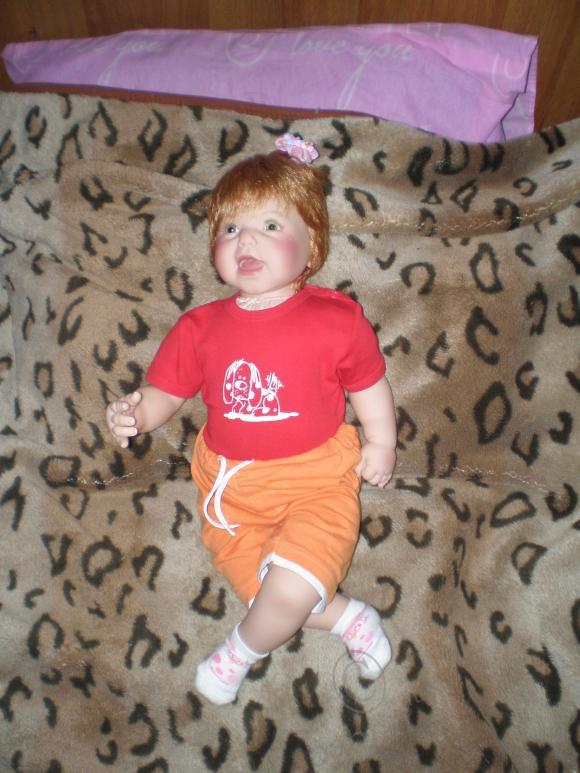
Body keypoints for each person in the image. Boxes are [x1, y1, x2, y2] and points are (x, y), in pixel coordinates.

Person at [105, 134, 397, 705]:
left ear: (311, 244)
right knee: (269, 597)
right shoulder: (199, 327)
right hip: (230, 491)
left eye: (270, 225)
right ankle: (348, 617)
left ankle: (237, 654)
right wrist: (135, 413)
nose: (246, 240)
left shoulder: (335, 319)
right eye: (231, 228)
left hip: (315, 481)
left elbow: (368, 382)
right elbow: (166, 392)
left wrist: (381, 441)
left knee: (284, 596)